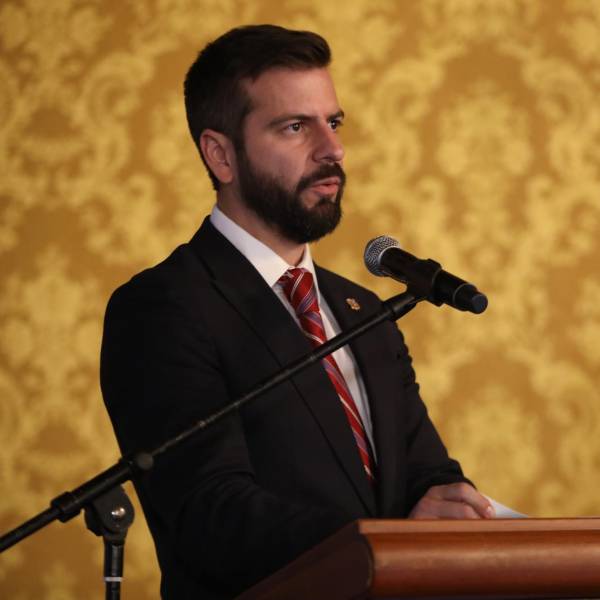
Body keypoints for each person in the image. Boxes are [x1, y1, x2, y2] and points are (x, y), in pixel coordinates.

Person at [100, 24, 494, 600]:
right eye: (295, 127)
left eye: (333, 122)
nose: (332, 149)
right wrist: (386, 542)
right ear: (221, 155)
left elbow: (422, 474)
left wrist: (451, 506)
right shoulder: (164, 307)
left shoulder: (362, 310)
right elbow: (212, 513)